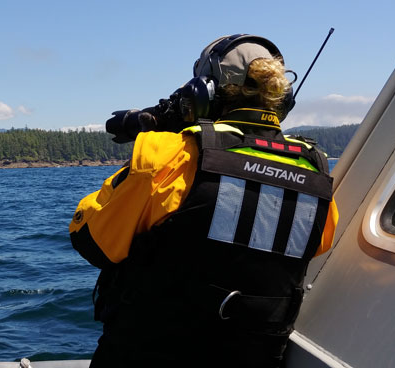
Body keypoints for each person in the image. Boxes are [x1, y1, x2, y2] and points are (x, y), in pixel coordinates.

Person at [69, 34, 339, 367]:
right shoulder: (316, 170)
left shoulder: (169, 154)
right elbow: (317, 245)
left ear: (204, 92)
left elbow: (91, 240)